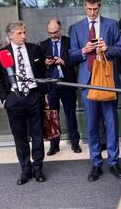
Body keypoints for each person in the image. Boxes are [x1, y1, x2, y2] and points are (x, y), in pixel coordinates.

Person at [70, 0, 121, 182]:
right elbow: (71, 56)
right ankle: (96, 163)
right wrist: (84, 51)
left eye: (95, 9)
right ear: (84, 6)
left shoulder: (111, 24)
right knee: (92, 124)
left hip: (108, 79)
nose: (92, 12)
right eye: (89, 9)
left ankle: (114, 162)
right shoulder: (76, 28)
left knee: (111, 123)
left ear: (100, 6)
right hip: (88, 81)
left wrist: (107, 48)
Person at [0, 20, 46, 185]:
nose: (23, 36)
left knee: (37, 134)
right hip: (14, 99)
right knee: (20, 136)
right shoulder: (2, 54)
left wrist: (42, 94)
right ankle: (25, 169)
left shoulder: (35, 49)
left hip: (33, 95)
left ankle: (38, 169)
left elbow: (43, 73)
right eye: (19, 33)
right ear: (10, 35)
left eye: (24, 32)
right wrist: (5, 99)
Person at [39, 19, 81, 156]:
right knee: (53, 116)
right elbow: (39, 65)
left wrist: (64, 61)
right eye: (50, 33)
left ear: (60, 30)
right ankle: (54, 145)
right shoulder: (44, 45)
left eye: (55, 32)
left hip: (67, 83)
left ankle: (75, 143)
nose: (53, 35)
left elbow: (77, 59)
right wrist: (46, 62)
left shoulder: (69, 42)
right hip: (52, 85)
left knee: (70, 114)